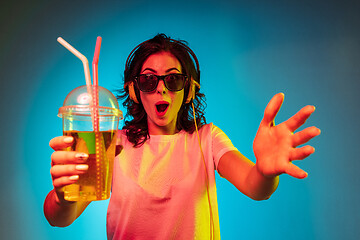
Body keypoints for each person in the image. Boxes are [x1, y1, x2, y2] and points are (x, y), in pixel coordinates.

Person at [44, 33, 321, 239]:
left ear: (188, 90)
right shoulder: (112, 143)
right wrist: (63, 196)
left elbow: (255, 186)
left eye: (173, 79)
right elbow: (58, 218)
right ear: (134, 91)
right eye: (149, 80)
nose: (161, 89)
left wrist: (265, 171)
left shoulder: (207, 139)